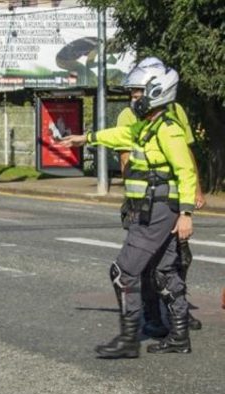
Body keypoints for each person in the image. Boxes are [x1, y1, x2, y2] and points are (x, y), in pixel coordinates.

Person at [59, 59, 197, 358]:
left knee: (123, 272)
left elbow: (186, 170)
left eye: (136, 93)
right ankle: (179, 337)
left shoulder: (168, 130)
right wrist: (87, 138)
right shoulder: (148, 127)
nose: (133, 98)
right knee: (163, 273)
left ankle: (129, 340)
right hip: (154, 209)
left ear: (155, 91)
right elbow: (120, 136)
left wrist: (186, 213)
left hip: (158, 211)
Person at [115, 57, 205, 339]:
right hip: (145, 199)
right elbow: (126, 157)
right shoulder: (129, 114)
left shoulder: (175, 109)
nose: (135, 95)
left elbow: (186, 152)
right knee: (145, 261)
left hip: (173, 199)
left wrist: (196, 189)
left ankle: (178, 311)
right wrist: (136, 196)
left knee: (177, 257)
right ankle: (152, 316)